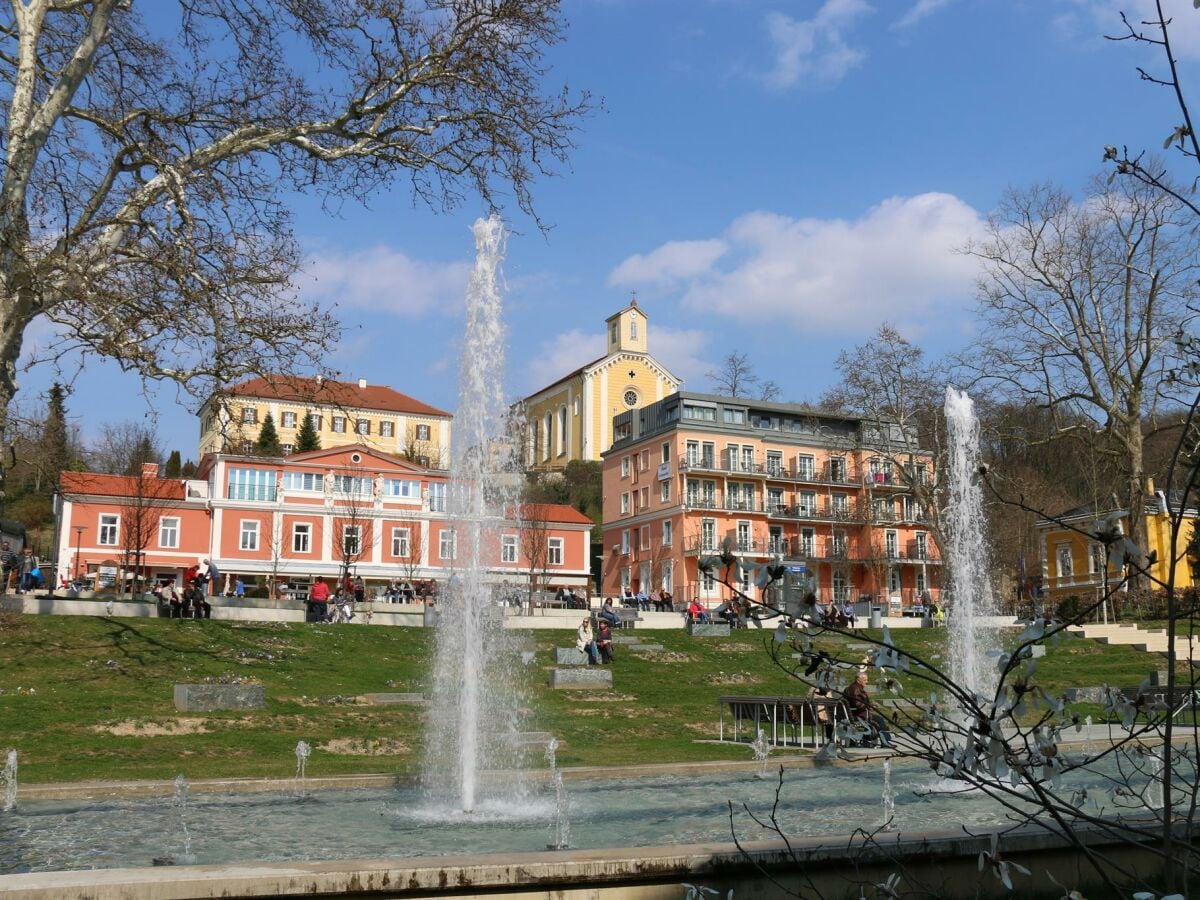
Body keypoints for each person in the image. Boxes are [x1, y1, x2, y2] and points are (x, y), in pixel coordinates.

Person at [842, 670, 893, 748]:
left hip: (854, 716)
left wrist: (869, 705)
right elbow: (858, 704)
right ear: (858, 680)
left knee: (875, 721)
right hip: (859, 717)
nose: (867, 682)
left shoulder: (852, 687)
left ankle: (866, 740)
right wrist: (869, 706)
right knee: (880, 720)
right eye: (865, 680)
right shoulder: (856, 689)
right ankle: (885, 742)